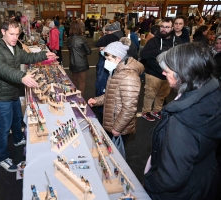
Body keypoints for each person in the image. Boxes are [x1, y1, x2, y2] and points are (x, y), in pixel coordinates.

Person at [144, 42, 221, 200]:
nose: (164, 74)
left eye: (167, 71)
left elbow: (170, 179)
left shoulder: (181, 122)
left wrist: (148, 181)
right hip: (204, 180)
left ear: (184, 74)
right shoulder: (213, 93)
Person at [0, 19, 56, 172]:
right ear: (3, 32)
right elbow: (0, 68)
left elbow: (27, 57)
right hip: (0, 94)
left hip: (12, 90)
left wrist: (44, 54)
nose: (14, 38)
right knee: (4, 128)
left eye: (17, 34)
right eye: (11, 34)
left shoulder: (15, 47)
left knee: (17, 118)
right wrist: (21, 76)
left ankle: (18, 139)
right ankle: (2, 158)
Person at [88, 41, 144, 145]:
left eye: (108, 59)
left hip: (119, 126)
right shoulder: (116, 70)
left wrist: (117, 128)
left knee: (116, 154)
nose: (106, 62)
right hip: (113, 121)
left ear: (118, 58)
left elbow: (129, 108)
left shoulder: (129, 77)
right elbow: (111, 94)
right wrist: (96, 101)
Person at [140, 18, 182, 121]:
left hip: (169, 74)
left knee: (162, 95)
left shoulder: (177, 41)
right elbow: (143, 54)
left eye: (167, 27)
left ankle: (156, 110)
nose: (164, 29)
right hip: (153, 73)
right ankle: (146, 112)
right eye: (162, 26)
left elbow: (182, 55)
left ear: (172, 28)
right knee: (150, 94)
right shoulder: (154, 40)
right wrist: (158, 51)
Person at [67, 20, 92, 96]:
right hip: (82, 63)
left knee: (74, 80)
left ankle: (74, 95)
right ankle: (80, 98)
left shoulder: (68, 39)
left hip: (72, 62)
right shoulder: (82, 39)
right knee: (82, 81)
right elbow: (89, 52)